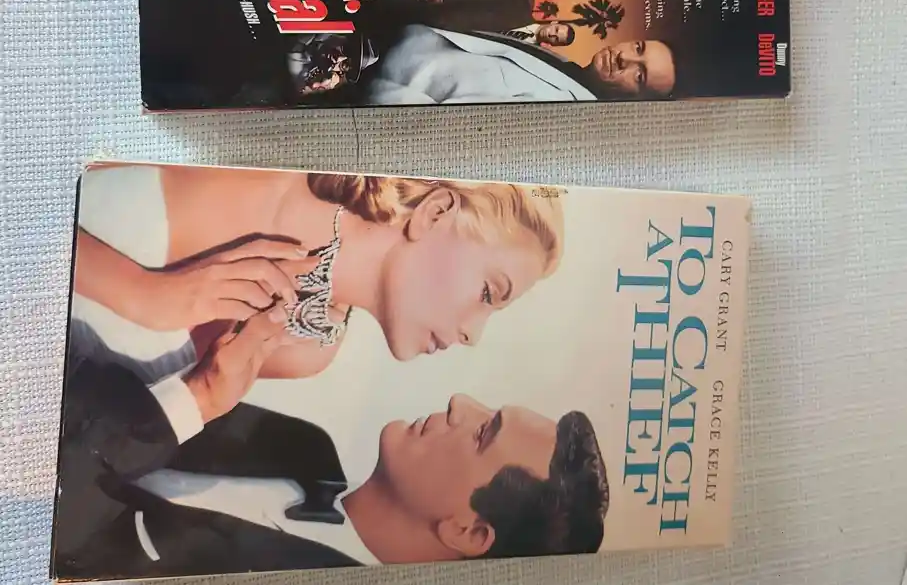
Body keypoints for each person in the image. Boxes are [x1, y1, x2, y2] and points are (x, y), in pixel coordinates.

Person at [53, 315, 610, 581]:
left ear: (469, 531)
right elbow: (102, 383)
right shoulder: (303, 447)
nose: (460, 402)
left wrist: (194, 401)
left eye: (484, 431)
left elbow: (61, 542)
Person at [71, 165, 564, 384]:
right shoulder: (270, 165)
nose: (474, 335)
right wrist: (145, 295)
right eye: (488, 293)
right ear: (435, 213)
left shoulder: (308, 353)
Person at [363, 26, 676, 103]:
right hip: (380, 41)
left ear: (637, 100)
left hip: (366, 80)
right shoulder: (564, 65)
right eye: (638, 48)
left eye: (639, 75)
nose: (624, 58)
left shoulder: (559, 113)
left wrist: (365, 91)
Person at [503, 21, 576, 46]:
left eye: (556, 39)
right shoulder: (521, 11)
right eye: (556, 29)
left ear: (554, 45)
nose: (551, 34)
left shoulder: (529, 53)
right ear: (554, 22)